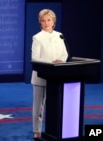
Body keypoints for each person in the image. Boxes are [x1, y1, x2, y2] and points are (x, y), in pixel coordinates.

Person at [31, 9, 68, 139]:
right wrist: (52, 63)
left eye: (48, 20)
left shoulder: (59, 35)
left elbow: (65, 54)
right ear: (40, 23)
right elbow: (35, 58)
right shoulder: (37, 37)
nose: (46, 23)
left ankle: (54, 131)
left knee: (55, 107)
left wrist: (61, 61)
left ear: (54, 22)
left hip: (56, 77)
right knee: (38, 108)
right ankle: (37, 131)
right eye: (43, 20)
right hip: (40, 76)